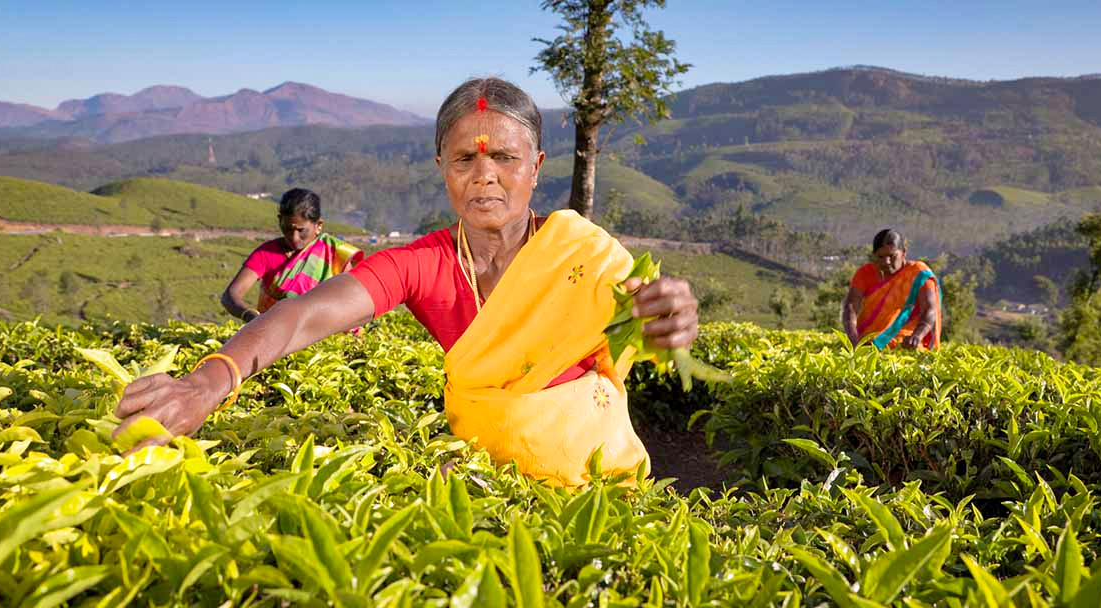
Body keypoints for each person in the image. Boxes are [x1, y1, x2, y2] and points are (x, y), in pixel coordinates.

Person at [115, 78, 700, 486]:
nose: (485, 178)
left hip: (603, 487)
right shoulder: (424, 262)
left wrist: (670, 323)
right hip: (486, 481)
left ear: (538, 165)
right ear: (442, 167)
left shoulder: (583, 253)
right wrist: (209, 381)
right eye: (465, 160)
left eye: (506, 158)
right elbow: (302, 315)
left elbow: (648, 334)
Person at [220, 188, 361, 322]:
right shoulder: (266, 254)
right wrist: (249, 315)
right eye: (287, 229)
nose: (294, 237)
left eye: (301, 231)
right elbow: (230, 296)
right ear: (280, 220)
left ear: (318, 225)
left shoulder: (336, 254)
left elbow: (353, 302)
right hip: (275, 335)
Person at [842, 229, 942, 350]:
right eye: (881, 257)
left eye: (892, 256)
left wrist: (917, 336)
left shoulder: (918, 274)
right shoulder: (865, 273)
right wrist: (853, 339)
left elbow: (929, 310)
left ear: (903, 253)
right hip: (868, 343)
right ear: (874, 256)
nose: (886, 262)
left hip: (905, 344)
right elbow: (851, 306)